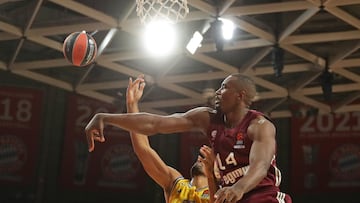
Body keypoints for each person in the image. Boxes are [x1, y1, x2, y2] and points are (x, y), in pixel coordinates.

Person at [85, 73, 292, 203]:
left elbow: (261, 165)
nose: (218, 92)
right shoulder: (181, 187)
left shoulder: (259, 126)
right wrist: (108, 117)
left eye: (224, 87)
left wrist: (234, 185)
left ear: (240, 95)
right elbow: (155, 124)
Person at [124, 75, 217, 203]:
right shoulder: (177, 185)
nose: (202, 158)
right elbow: (143, 150)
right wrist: (132, 106)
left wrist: (211, 174)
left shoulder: (222, 192)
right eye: (203, 156)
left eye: (210, 158)